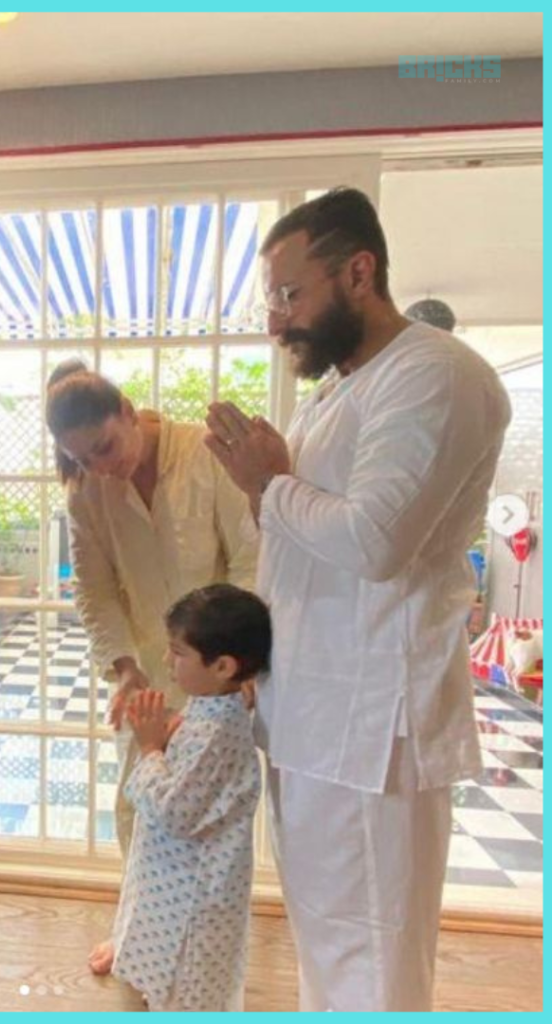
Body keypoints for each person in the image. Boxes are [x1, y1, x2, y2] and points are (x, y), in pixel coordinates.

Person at [204, 187, 512, 1011]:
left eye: (288, 293)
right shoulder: (339, 390)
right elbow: (303, 541)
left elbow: (377, 542)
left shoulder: (435, 375)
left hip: (372, 730)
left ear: (359, 272)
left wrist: (269, 483)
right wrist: (263, 491)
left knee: (373, 963)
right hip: (313, 716)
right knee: (330, 946)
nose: (275, 321)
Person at [45, 361, 259, 973]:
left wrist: (236, 669)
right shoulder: (87, 492)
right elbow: (95, 590)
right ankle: (136, 930)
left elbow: (250, 558)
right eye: (82, 457)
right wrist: (124, 670)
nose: (100, 466)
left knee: (209, 814)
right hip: (145, 669)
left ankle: (200, 943)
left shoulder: (204, 454)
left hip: (221, 672)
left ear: (131, 412)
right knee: (138, 803)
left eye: (105, 446)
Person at [111, 583, 269, 1011]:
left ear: (222, 666)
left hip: (191, 900)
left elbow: (175, 812)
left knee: (187, 992)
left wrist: (150, 748)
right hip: (178, 889)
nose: (167, 661)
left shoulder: (214, 732)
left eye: (178, 652)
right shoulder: (214, 709)